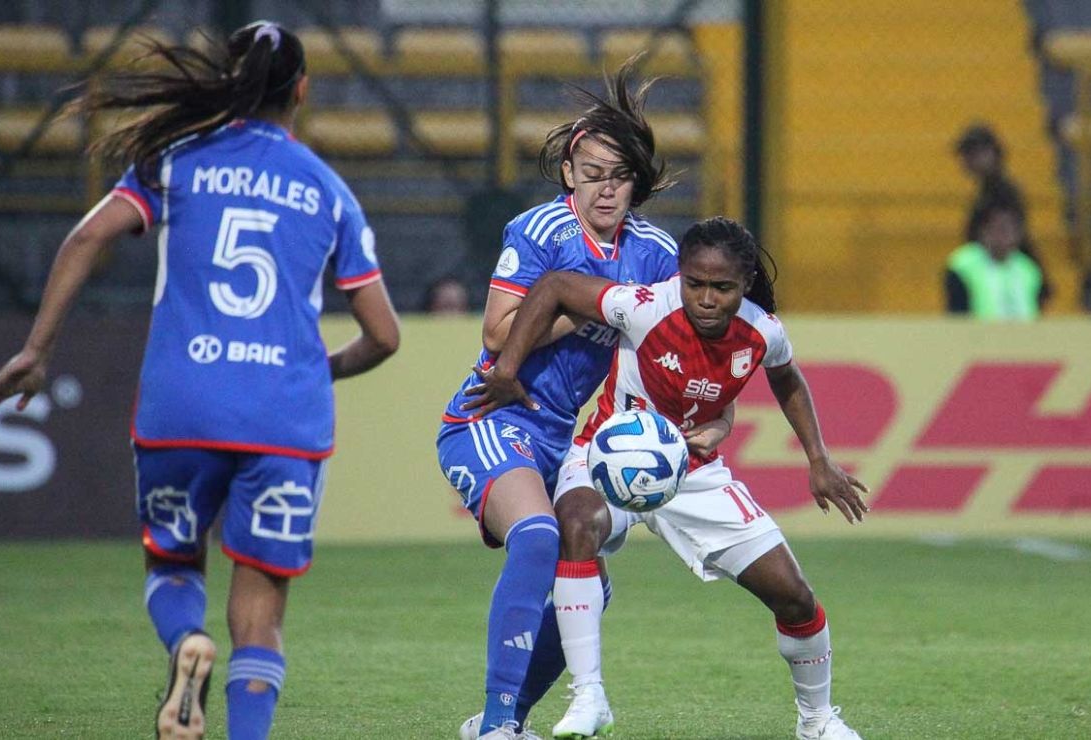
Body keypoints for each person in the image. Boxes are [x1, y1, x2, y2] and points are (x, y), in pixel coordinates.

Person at [0, 22, 400, 740]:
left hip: (183, 405)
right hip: (283, 419)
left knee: (171, 562)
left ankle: (183, 645)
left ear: (227, 80)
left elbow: (85, 239)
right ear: (301, 91)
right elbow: (384, 336)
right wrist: (314, 369)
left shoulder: (174, 161)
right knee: (261, 610)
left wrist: (37, 349)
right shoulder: (329, 193)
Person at [469, 216, 869, 740]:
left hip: (696, 474)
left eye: (722, 288)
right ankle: (589, 695)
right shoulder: (644, 306)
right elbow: (555, 286)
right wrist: (508, 368)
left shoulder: (763, 331)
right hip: (608, 455)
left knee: (794, 595)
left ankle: (817, 722)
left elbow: (787, 377)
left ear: (744, 284)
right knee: (575, 521)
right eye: (695, 283)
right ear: (679, 276)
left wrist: (817, 459)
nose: (706, 298)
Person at [436, 60, 732, 740]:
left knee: (589, 588)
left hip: (564, 436)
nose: (606, 187)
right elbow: (498, 331)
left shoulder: (655, 254)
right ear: (570, 175)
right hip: (492, 415)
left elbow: (691, 346)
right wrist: (588, 305)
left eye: (620, 174)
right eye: (593, 172)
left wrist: (713, 416)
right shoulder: (541, 232)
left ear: (637, 183)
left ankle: (500, 717)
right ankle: (497, 728)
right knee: (539, 538)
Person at [954, 123, 1052, 308]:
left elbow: (1009, 238)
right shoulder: (990, 191)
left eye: (973, 154)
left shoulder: (1001, 193)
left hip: (1004, 277)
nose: (967, 161)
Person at [944, 195, 1045, 320]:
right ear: (983, 230)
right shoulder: (963, 265)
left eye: (1011, 228)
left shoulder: (1028, 269)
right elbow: (957, 315)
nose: (1005, 235)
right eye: (1000, 228)